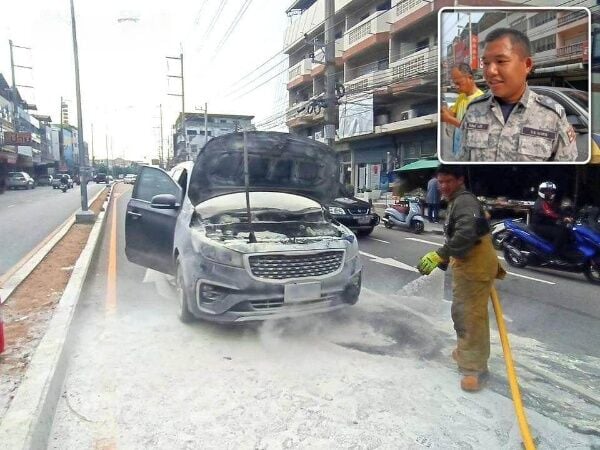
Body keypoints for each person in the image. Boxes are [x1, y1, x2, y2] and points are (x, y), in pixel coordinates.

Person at [417, 165, 505, 392]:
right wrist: (445, 261)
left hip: (475, 268)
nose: (443, 186)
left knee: (471, 318)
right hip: (467, 264)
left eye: (448, 181)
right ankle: (466, 353)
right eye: (440, 182)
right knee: (462, 313)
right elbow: (461, 232)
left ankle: (475, 370)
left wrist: (441, 254)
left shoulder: (464, 201)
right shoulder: (458, 201)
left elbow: (466, 233)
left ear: (460, 180)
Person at [459, 28, 578, 162]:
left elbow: (566, 171)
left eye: (501, 61)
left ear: (527, 65)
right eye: (486, 63)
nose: (490, 71)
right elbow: (461, 166)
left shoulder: (552, 116)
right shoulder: (474, 110)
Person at [440, 63, 484, 157]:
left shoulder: (481, 99)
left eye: (459, 83)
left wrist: (448, 119)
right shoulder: (461, 97)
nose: (456, 86)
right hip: (458, 151)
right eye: (454, 83)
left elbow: (474, 128)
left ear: (470, 78)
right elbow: (452, 114)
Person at [530, 181, 573, 257]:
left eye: (551, 191)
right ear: (542, 191)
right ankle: (555, 254)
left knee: (566, 230)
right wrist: (563, 218)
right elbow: (550, 213)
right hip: (539, 225)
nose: (549, 193)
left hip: (546, 223)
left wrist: (568, 215)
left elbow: (557, 210)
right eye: (547, 191)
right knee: (560, 233)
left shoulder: (547, 201)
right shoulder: (541, 202)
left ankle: (565, 249)